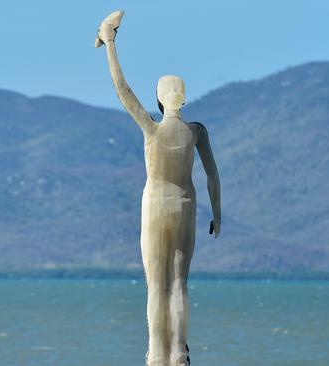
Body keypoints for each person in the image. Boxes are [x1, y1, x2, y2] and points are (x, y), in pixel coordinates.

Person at [95, 10, 222, 366]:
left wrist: (110, 43)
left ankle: (155, 353)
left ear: (161, 99)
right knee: (179, 284)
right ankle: (179, 353)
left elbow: (122, 89)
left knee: (156, 285)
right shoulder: (197, 131)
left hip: (154, 209)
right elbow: (213, 175)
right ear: (182, 97)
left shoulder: (151, 129)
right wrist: (218, 215)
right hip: (185, 208)